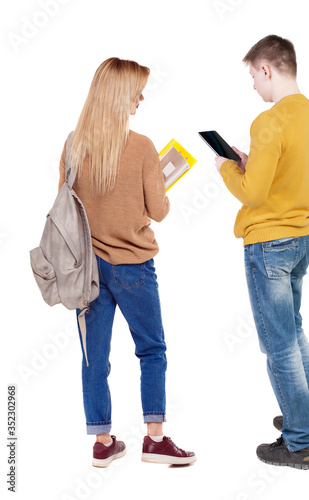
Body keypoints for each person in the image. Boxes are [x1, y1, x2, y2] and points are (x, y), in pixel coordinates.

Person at [58, 57, 196, 468]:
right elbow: (159, 211)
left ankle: (102, 442)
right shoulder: (142, 147)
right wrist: (160, 186)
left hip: (86, 271)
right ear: (120, 96)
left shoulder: (72, 145)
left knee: (93, 358)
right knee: (152, 350)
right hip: (133, 267)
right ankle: (154, 440)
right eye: (137, 90)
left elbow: (67, 211)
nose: (141, 97)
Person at [215, 35, 309, 469]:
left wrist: (227, 166)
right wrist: (253, 162)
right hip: (301, 237)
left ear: (267, 69)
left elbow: (254, 192)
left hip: (268, 244)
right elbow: (287, 176)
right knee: (294, 332)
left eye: (253, 76)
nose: (254, 87)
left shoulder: (269, 121)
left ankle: (299, 443)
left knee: (278, 345)